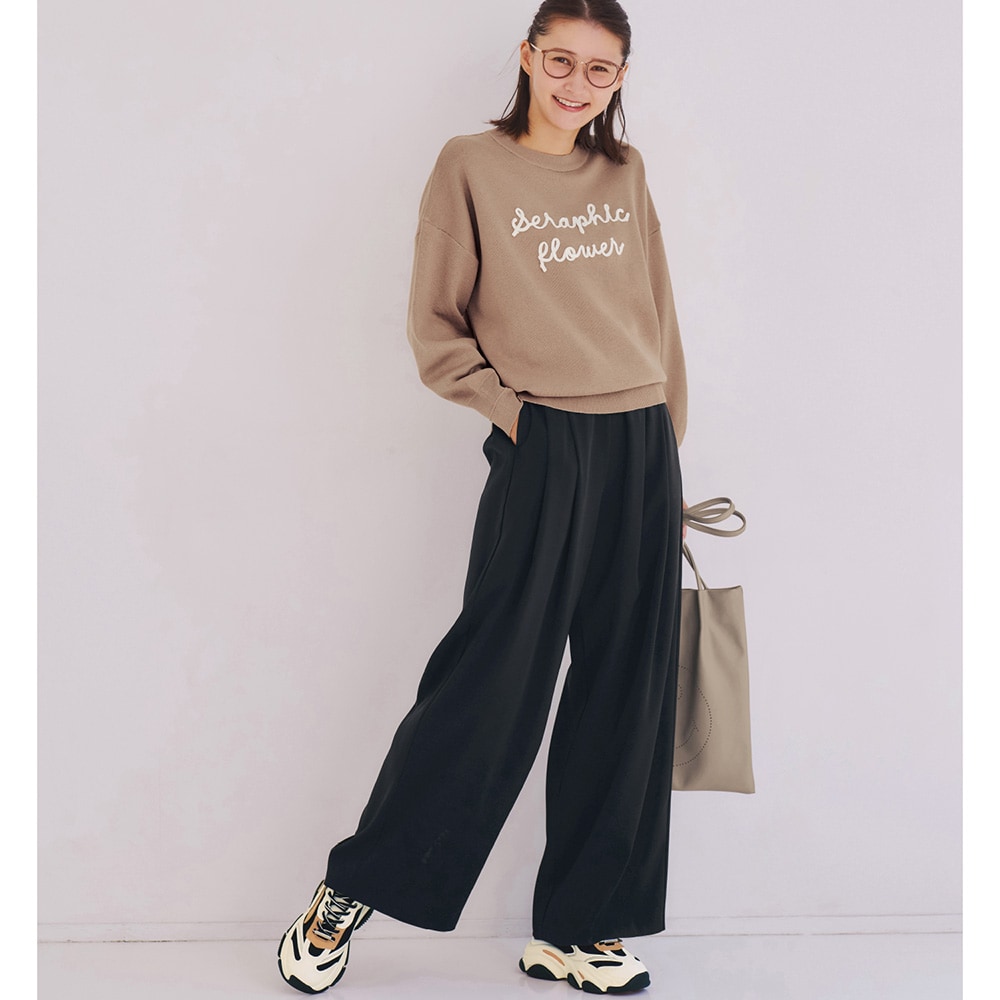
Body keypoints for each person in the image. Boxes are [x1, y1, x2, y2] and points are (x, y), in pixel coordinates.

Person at [277, 0, 688, 994]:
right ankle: (348, 890)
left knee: (626, 691)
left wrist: (664, 441)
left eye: (599, 69)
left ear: (621, 78)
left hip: (639, 442)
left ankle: (581, 927)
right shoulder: (470, 165)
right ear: (527, 57)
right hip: (545, 439)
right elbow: (435, 323)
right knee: (489, 684)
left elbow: (658, 313)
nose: (577, 84)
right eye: (561, 61)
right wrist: (514, 416)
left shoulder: (625, 173)